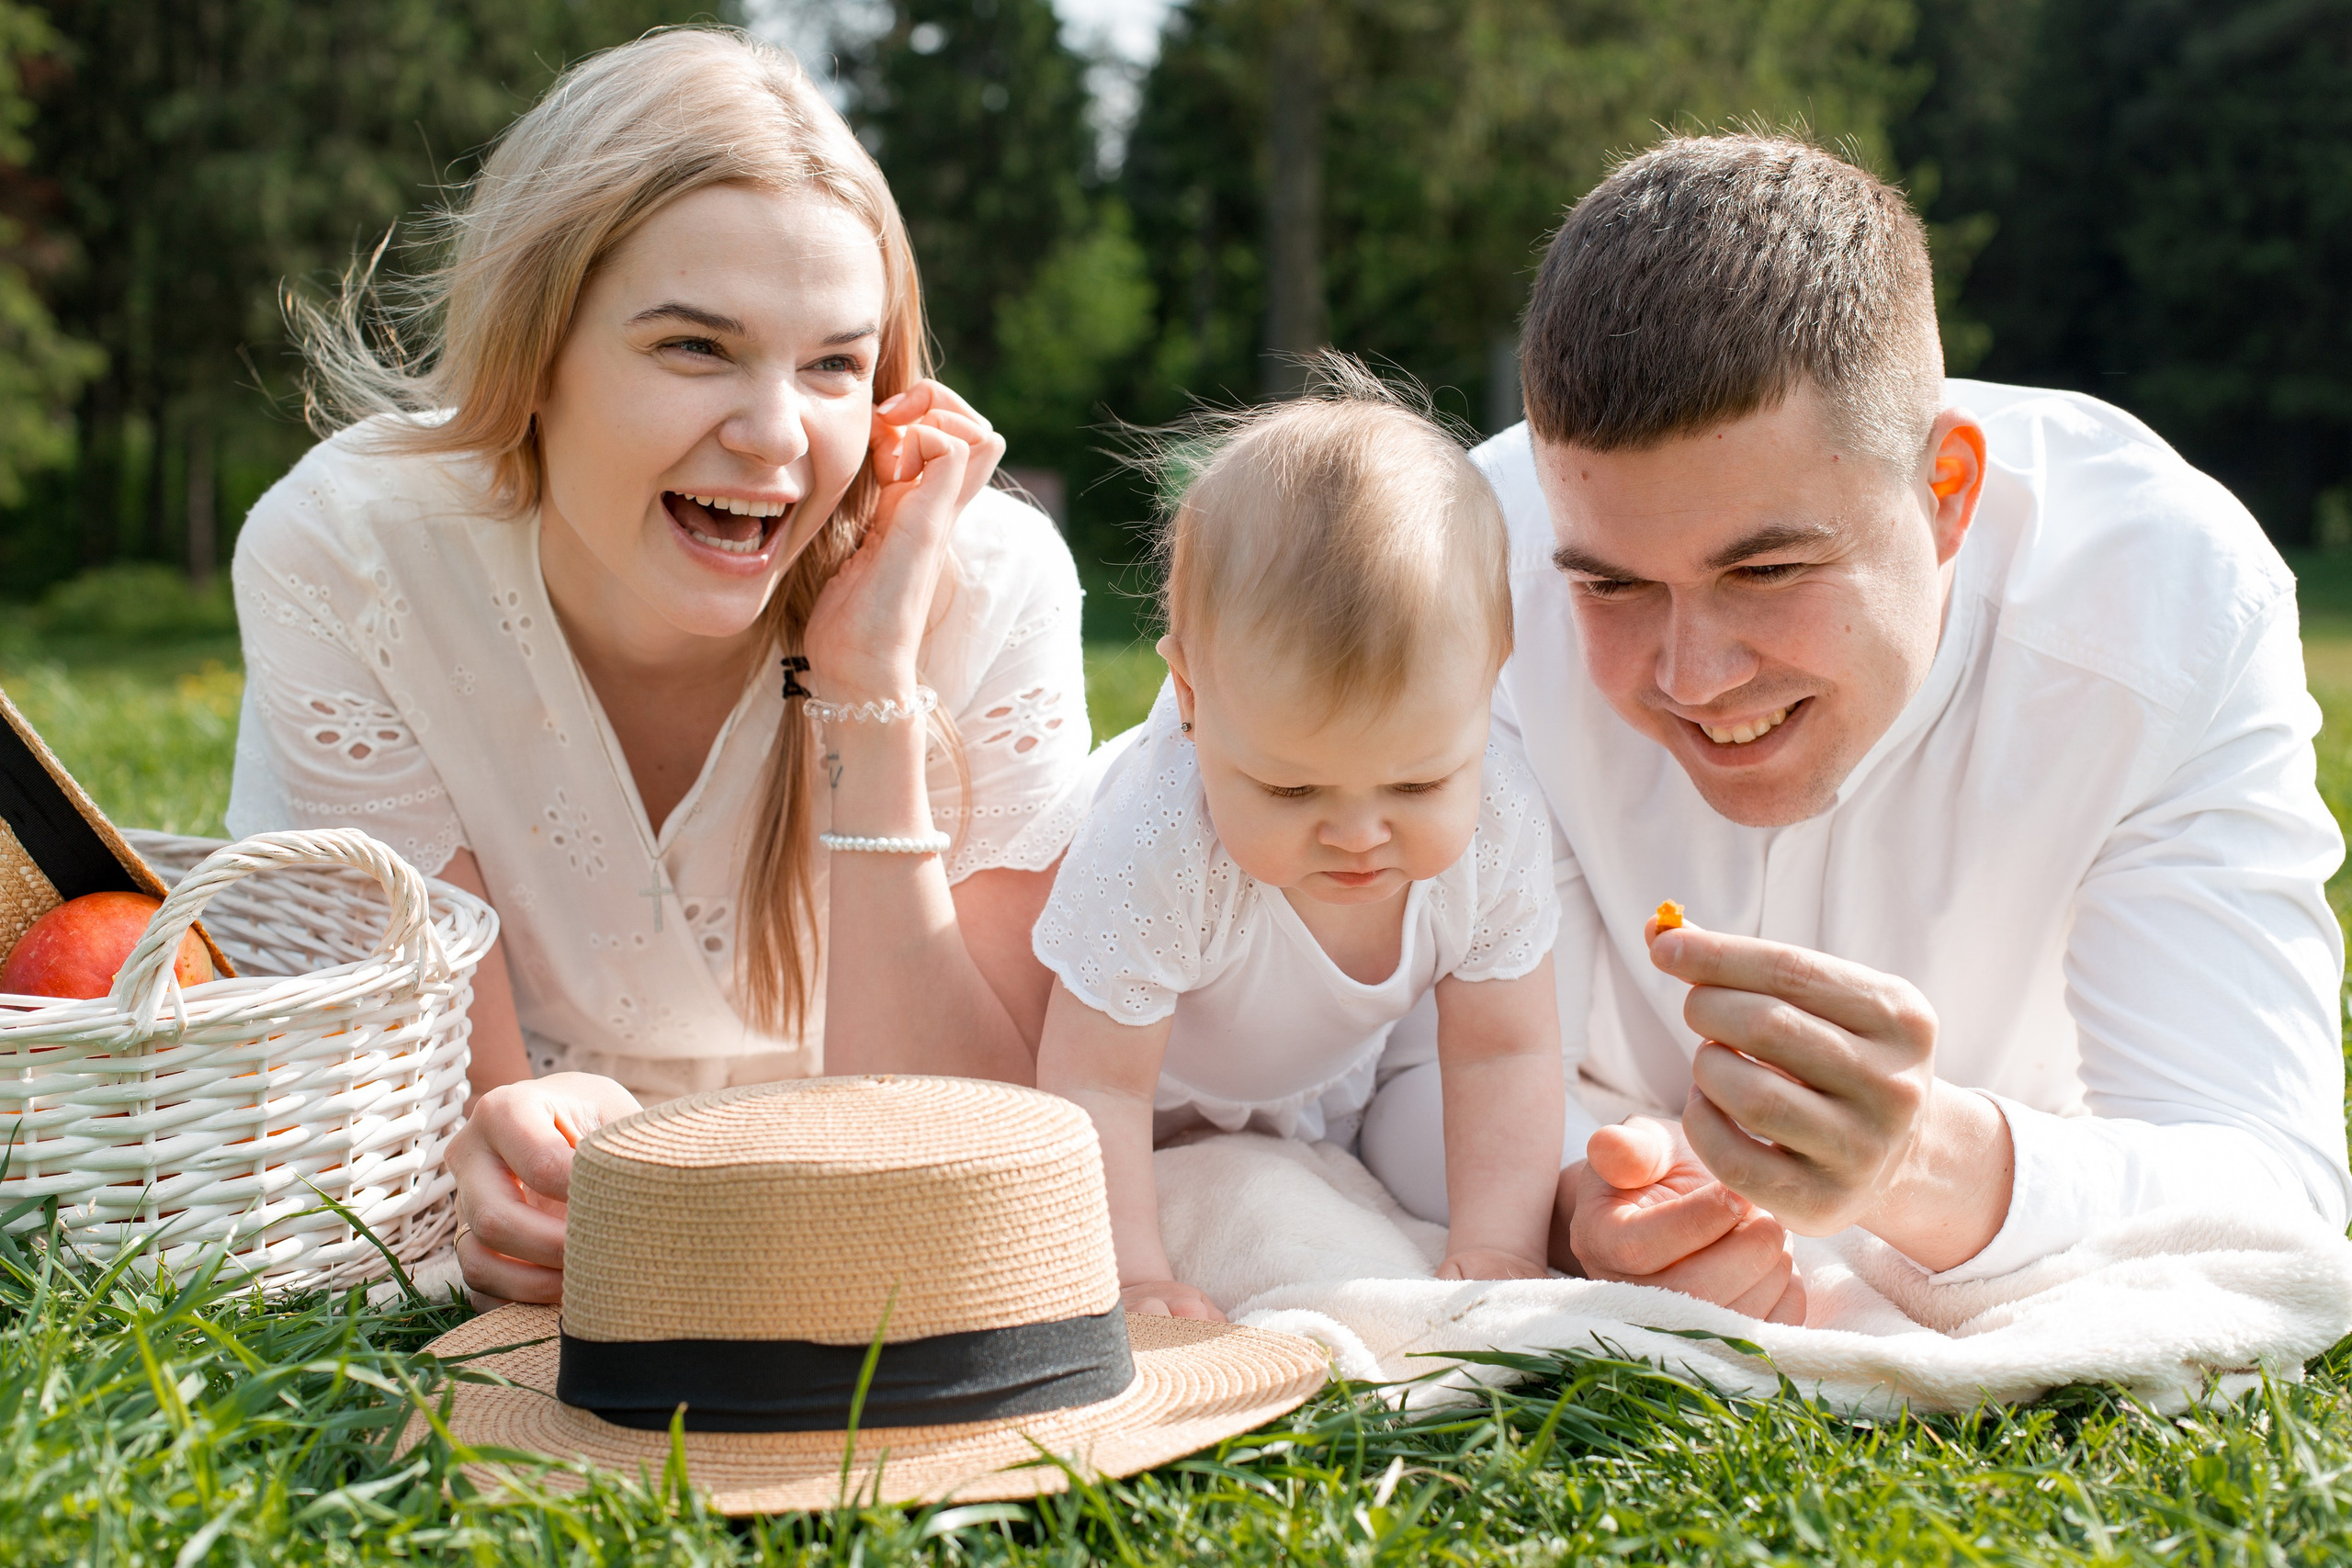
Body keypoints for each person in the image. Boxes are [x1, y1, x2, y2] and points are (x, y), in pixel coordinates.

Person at [1359, 132, 2351, 1315]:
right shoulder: (1477, 569)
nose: (1690, 675)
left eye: (1767, 570)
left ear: (1947, 493)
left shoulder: (2166, 610)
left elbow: (2269, 1186)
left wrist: (1927, 1161)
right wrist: (1577, 1204)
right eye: (1612, 586)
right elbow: (1396, 1068)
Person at [224, 28, 1092, 1304]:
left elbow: (965, 1149)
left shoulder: (986, 582)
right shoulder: (351, 553)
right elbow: (467, 1128)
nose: (774, 432)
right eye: (695, 346)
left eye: (835, 364)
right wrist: (511, 1135)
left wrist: (867, 691)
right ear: (537, 352)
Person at [1034, 362, 1589, 1322]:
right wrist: (1129, 1278)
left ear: (1489, 685)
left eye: (1417, 782)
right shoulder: (1163, 837)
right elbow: (1095, 1082)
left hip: (1310, 1082)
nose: (1360, 833)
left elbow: (1504, 1053)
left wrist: (1497, 1246)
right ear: (1194, 703)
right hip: (1132, 1076)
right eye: (1291, 787)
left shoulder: (1498, 814)